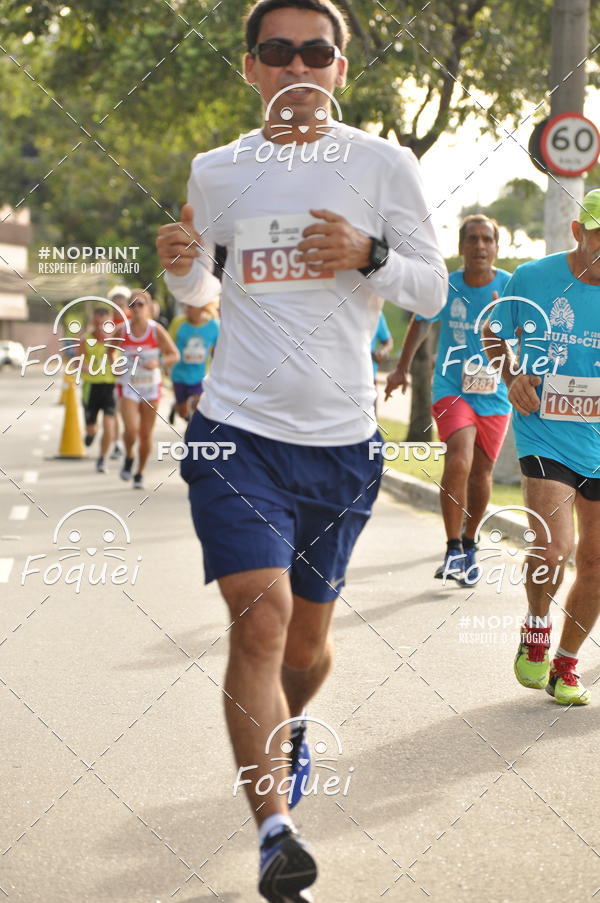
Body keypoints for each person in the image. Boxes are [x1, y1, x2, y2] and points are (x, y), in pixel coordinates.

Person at [156, 0, 447, 897]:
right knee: (261, 617)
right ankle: (275, 831)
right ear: (250, 68)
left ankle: (290, 727)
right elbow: (204, 287)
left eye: (314, 51)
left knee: (307, 649)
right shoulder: (218, 170)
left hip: (341, 443)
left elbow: (432, 291)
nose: (296, 67)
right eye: (276, 52)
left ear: (339, 69)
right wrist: (178, 266)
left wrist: (367, 255)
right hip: (235, 432)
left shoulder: (383, 165)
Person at [482, 188, 600, 706]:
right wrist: (511, 376)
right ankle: (536, 627)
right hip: (543, 429)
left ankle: (565, 665)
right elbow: (493, 329)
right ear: (578, 232)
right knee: (555, 548)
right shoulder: (532, 278)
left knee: (596, 563)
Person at [386, 215, 511, 583]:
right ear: (460, 248)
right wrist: (401, 368)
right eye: (472, 239)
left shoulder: (508, 286)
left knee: (482, 473)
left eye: (487, 239)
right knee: (459, 457)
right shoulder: (447, 286)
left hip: (495, 392)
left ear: (496, 248)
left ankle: (470, 547)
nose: (479, 247)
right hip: (452, 388)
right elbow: (422, 322)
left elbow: (527, 328)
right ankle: (453, 547)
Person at [114, 289, 179, 489]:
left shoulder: (155, 330)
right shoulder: (122, 331)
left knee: (145, 434)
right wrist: (113, 365)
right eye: (132, 304)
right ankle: (129, 456)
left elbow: (174, 354)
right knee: (131, 430)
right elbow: (109, 353)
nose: (136, 308)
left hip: (151, 387)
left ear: (148, 307)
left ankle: (140, 472)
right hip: (128, 386)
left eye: (140, 304)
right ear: (128, 308)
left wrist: (158, 361)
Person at [79, 306, 117, 473]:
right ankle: (90, 434)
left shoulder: (115, 342)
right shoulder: (86, 339)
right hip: (91, 388)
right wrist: (84, 366)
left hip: (109, 387)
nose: (101, 327)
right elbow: (78, 361)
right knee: (92, 428)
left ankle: (102, 459)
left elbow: (121, 363)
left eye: (104, 323)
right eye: (97, 323)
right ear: (93, 322)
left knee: (109, 426)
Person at [168, 300, 220, 422]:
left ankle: (192, 432)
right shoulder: (179, 323)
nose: (187, 309)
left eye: (190, 306)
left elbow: (218, 351)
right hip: (179, 375)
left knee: (197, 406)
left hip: (200, 376)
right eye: (186, 306)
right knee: (183, 413)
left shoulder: (214, 326)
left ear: (201, 307)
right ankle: (176, 406)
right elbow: (168, 345)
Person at [107, 285, 132, 458]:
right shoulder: (106, 322)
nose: (119, 306)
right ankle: (116, 444)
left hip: (135, 374)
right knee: (114, 409)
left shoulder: (133, 319)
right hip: (113, 372)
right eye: (115, 302)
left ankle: (129, 440)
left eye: (122, 302)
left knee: (128, 411)